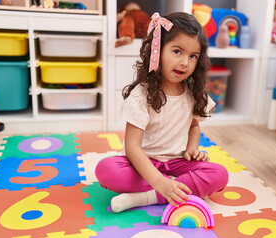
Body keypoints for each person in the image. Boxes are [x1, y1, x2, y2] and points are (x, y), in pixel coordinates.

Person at [95, 12, 229, 213]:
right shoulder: (142, 95)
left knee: (220, 174)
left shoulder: (194, 93)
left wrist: (192, 149)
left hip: (178, 162)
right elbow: (132, 148)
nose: (185, 62)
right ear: (156, 51)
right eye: (177, 51)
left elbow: (194, 126)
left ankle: (146, 197)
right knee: (106, 170)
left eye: (193, 56)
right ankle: (174, 187)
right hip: (144, 165)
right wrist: (159, 181)